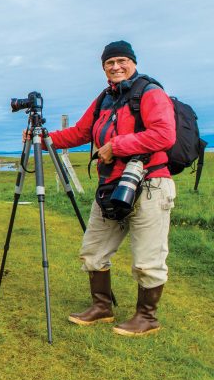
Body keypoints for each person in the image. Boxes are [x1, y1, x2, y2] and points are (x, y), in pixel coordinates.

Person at [41, 40, 177, 336]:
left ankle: (147, 317)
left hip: (150, 183)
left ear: (133, 62)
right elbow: (81, 132)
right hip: (111, 187)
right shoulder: (105, 98)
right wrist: (43, 138)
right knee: (93, 250)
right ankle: (101, 307)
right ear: (103, 68)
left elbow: (165, 136)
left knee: (148, 258)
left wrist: (115, 146)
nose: (115, 67)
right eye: (109, 63)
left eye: (121, 61)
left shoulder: (151, 93)